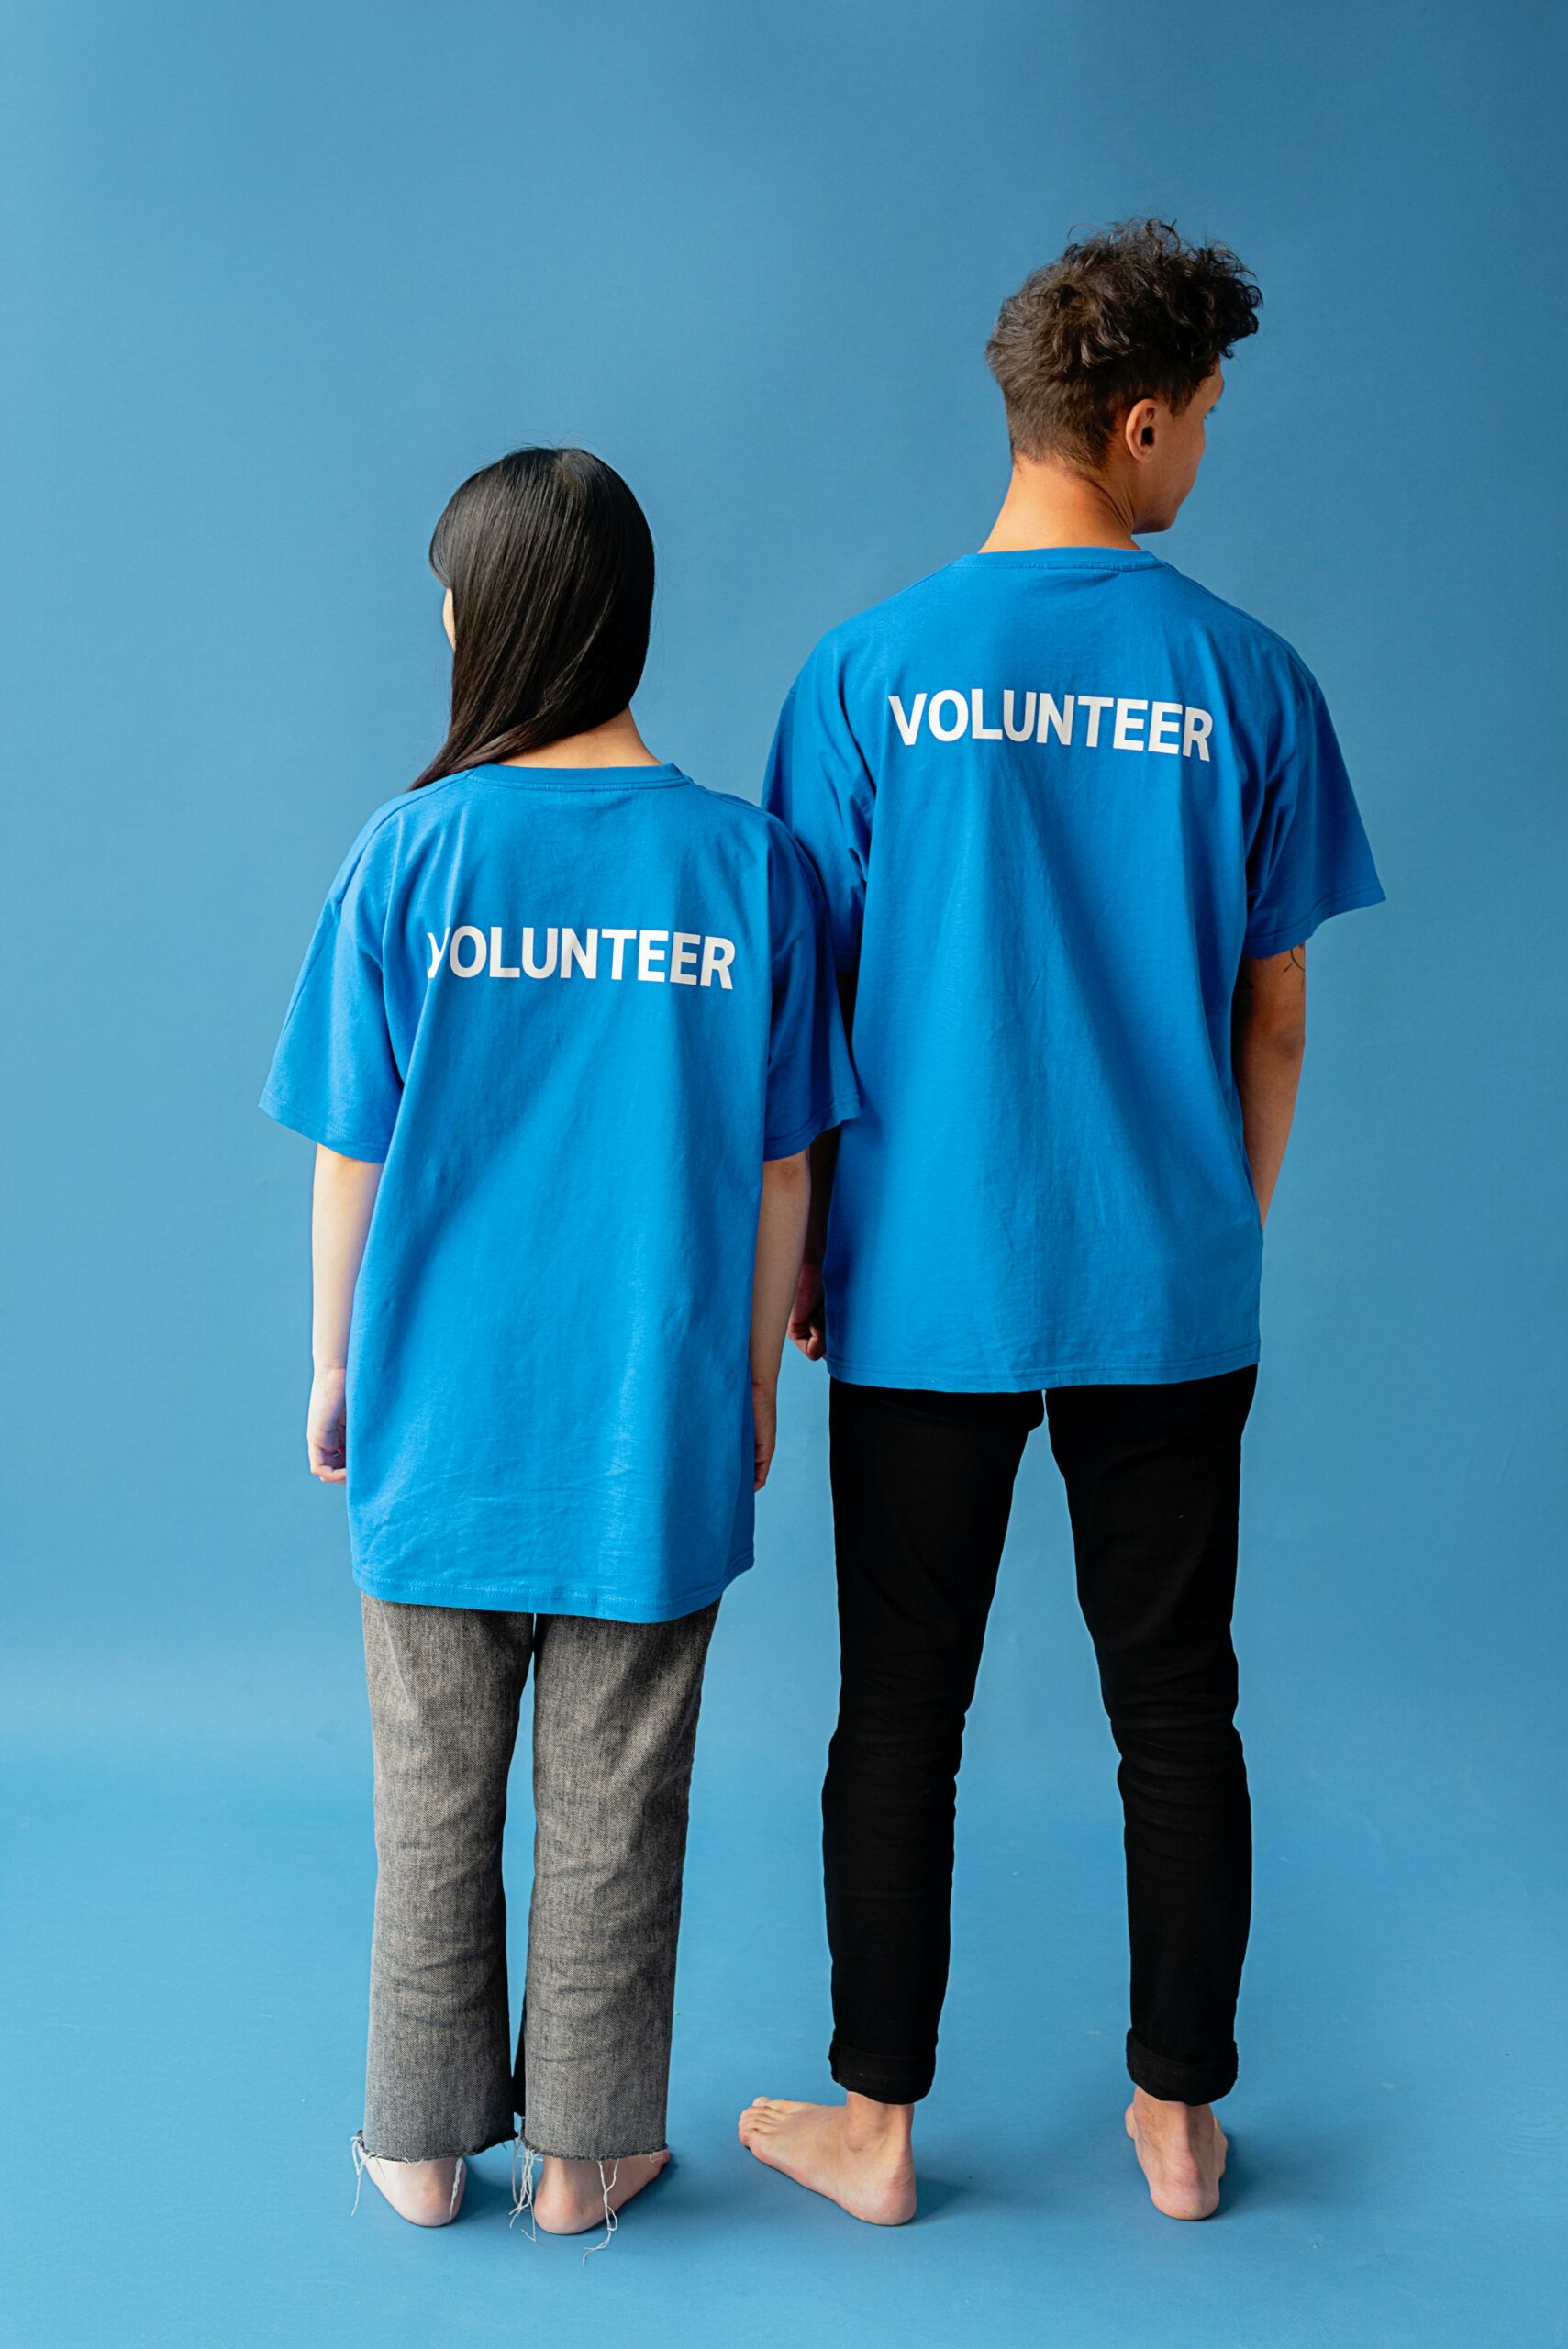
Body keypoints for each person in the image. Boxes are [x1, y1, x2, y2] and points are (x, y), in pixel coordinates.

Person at [740, 220, 1384, 2225]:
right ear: (1139, 420)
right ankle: (1182, 2119)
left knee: (897, 1711)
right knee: (1176, 1700)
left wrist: (819, 1257)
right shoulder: (1246, 677)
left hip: (920, 1281)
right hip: (1168, 1278)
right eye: (1201, 420)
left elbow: (810, 1029)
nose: (1203, 454)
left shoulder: (859, 677)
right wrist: (1213, 1217)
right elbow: (1273, 1015)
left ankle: (877, 2123)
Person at [260, 448, 857, 2238]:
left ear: (492, 619)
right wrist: (754, 1373)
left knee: (431, 1791)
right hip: (651, 1416)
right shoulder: (750, 868)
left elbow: (349, 1151)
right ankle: (592, 2152)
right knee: (621, 1791)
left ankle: (420, 2145)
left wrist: (332, 1363)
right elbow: (782, 1170)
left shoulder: (410, 849)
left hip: (439, 1410)